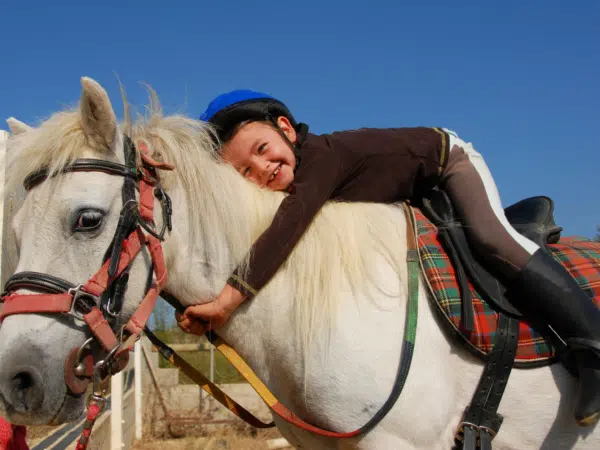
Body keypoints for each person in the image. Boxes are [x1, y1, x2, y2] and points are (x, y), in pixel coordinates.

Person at [175, 89, 600, 426]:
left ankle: (592, 344)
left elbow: (287, 227)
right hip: (414, 193)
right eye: (246, 172)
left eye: (262, 148)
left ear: (286, 128)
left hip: (449, 162)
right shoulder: (305, 175)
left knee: (492, 240)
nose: (261, 167)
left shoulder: (322, 158)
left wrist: (226, 300)